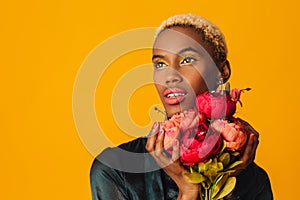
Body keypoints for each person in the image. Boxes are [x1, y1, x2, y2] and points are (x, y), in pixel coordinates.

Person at [90, 14, 273, 200]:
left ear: (222, 72)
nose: (170, 76)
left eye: (187, 60)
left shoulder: (252, 180)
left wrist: (225, 178)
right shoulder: (115, 168)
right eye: (160, 64)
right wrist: (188, 192)